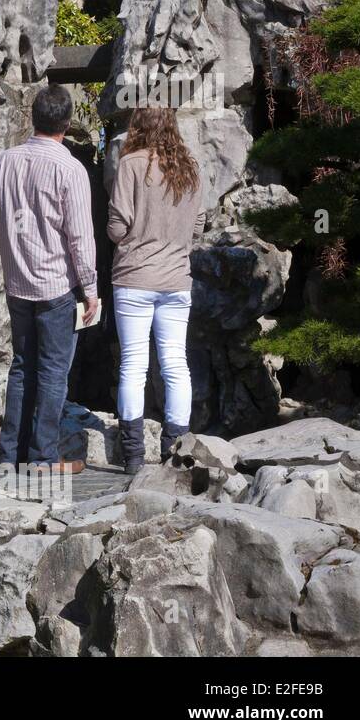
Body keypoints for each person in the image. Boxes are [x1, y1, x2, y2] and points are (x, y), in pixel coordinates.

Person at [0, 85, 98, 473]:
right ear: (67, 124)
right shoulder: (71, 169)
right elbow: (80, 236)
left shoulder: (4, 161)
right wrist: (91, 289)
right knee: (52, 372)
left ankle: (8, 454)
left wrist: (12, 260)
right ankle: (42, 457)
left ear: (33, 117)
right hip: (55, 286)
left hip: (17, 282)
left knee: (21, 366)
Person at [106, 105, 205, 474]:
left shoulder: (131, 164)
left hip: (134, 277)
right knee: (176, 365)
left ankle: (132, 457)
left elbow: (117, 226)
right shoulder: (190, 168)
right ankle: (175, 451)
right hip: (177, 280)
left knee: (133, 365)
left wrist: (131, 236)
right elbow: (197, 227)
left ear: (138, 129)